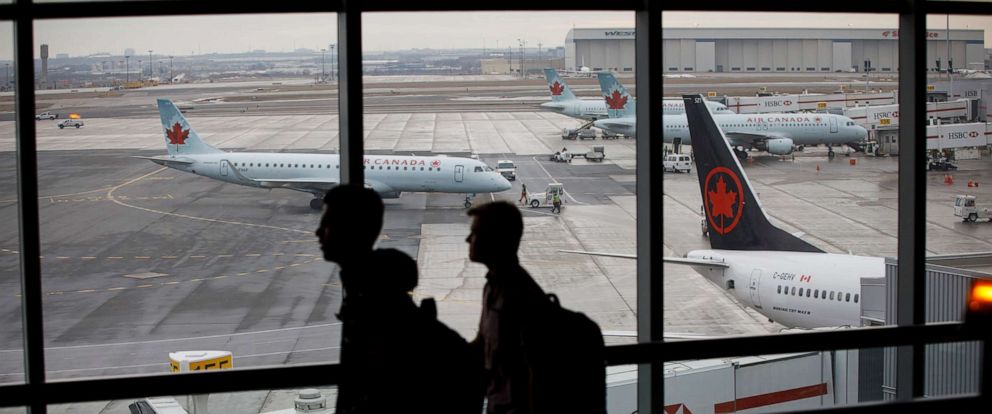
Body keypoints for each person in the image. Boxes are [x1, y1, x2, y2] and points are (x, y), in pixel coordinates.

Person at [467, 202, 547, 413]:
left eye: (474, 233)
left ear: (494, 240)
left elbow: (534, 371)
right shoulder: (492, 287)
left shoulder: (520, 296)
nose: (468, 239)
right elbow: (482, 344)